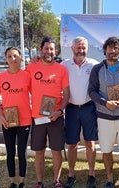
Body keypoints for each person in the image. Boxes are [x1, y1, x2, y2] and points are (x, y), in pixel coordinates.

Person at [88, 37, 119, 188]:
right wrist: (105, 103)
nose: (112, 51)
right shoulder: (97, 69)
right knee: (107, 150)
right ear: (105, 50)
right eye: (110, 48)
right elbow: (91, 91)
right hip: (104, 117)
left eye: (116, 48)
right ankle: (110, 179)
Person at [25, 36, 70, 188]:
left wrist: (59, 111)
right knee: (39, 151)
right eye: (46, 48)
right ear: (41, 50)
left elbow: (66, 94)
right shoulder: (31, 67)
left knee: (57, 150)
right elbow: (24, 87)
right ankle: (39, 181)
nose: (49, 51)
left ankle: (56, 180)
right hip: (37, 118)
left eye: (51, 49)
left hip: (55, 117)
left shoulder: (61, 69)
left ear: (55, 50)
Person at [61, 36, 98, 188]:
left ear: (87, 49)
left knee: (90, 142)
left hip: (89, 107)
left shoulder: (94, 65)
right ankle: (71, 174)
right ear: (72, 48)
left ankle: (91, 174)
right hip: (71, 108)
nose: (81, 50)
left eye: (83, 47)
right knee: (72, 143)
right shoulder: (64, 65)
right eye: (78, 47)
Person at [0, 47, 31, 188]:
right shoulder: (0, 77)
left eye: (15, 56)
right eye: (9, 56)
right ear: (6, 59)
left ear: (20, 57)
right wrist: (1, 116)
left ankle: (22, 181)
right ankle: (12, 182)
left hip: (25, 119)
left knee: (22, 151)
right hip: (8, 120)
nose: (12, 59)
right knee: (10, 152)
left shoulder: (27, 75)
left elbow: (37, 94)